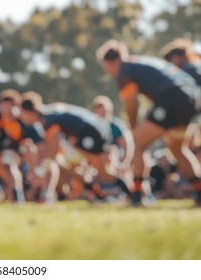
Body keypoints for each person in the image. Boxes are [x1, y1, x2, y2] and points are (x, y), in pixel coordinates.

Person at [97, 39, 201, 206]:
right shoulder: (141, 62)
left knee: (138, 143)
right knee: (177, 148)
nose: (108, 72)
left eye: (106, 68)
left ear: (110, 63)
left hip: (171, 97)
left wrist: (133, 125)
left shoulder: (123, 69)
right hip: (190, 100)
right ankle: (199, 190)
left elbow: (130, 102)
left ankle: (137, 194)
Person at [19, 94, 131, 203]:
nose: (21, 118)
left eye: (22, 114)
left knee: (102, 173)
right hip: (98, 128)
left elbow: (53, 146)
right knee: (83, 169)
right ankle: (97, 191)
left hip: (91, 132)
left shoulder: (46, 119)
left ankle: (131, 193)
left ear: (29, 112)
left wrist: (44, 168)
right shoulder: (52, 108)